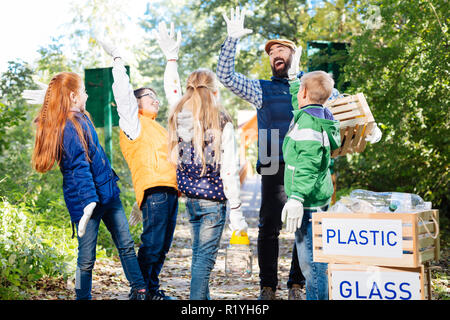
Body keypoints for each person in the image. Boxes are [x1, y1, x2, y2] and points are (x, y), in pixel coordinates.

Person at [216, 6, 331, 300]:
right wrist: (231, 40)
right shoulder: (259, 88)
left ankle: (297, 283)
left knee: (304, 224)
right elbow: (225, 75)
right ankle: (267, 286)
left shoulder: (310, 85)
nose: (275, 55)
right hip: (271, 162)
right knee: (269, 225)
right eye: (271, 53)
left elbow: (337, 105)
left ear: (295, 55)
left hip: (305, 165)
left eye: (282, 50)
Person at [29, 72, 147, 300]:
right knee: (86, 259)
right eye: (83, 91)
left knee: (125, 245)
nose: (87, 94)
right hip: (88, 203)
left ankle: (140, 289)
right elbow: (77, 168)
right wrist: (88, 204)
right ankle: (83, 297)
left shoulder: (79, 116)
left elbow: (67, 106)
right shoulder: (68, 127)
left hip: (108, 193)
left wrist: (52, 96)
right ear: (73, 96)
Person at [157, 22, 248, 300]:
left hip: (192, 201)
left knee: (199, 257)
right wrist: (237, 212)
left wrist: (171, 60)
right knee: (202, 264)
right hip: (213, 204)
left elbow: (171, 90)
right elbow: (229, 172)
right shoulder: (222, 122)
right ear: (214, 91)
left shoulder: (180, 115)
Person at [97, 35, 179, 300]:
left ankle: (152, 291)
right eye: (149, 96)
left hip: (170, 192)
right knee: (153, 246)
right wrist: (117, 59)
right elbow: (122, 94)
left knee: (163, 247)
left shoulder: (158, 127)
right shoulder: (133, 123)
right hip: (155, 192)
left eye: (156, 96)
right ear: (137, 102)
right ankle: (140, 291)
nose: (155, 100)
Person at [281, 70, 341, 300]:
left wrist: (296, 196)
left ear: (305, 93)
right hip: (316, 197)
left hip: (307, 203)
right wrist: (296, 79)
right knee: (312, 262)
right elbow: (303, 97)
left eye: (300, 90)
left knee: (312, 265)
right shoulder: (320, 114)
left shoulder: (308, 123)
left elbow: (307, 162)